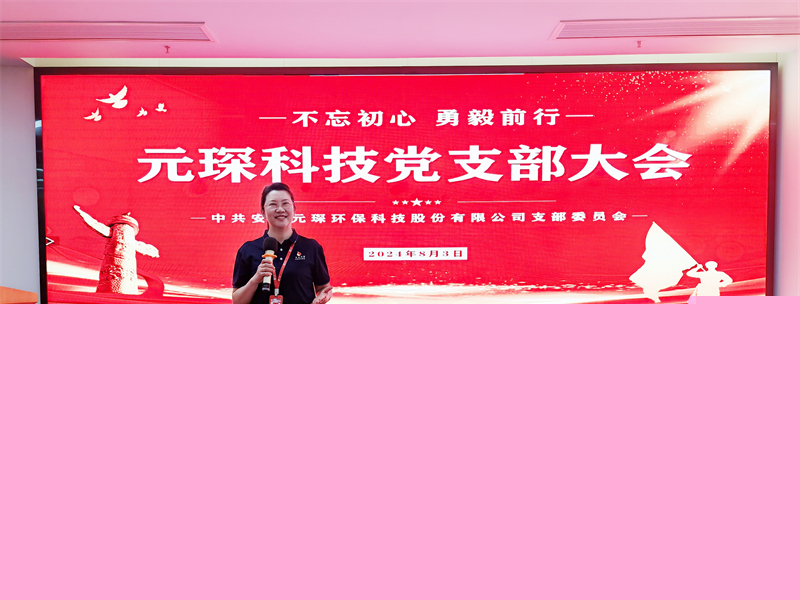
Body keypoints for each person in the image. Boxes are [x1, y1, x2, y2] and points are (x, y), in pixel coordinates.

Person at [232, 183, 333, 304]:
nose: (280, 209)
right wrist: (255, 279)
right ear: (263, 212)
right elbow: (238, 301)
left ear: (294, 209)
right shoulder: (248, 249)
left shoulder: (311, 247)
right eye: (273, 204)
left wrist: (320, 299)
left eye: (285, 203)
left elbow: (324, 288)